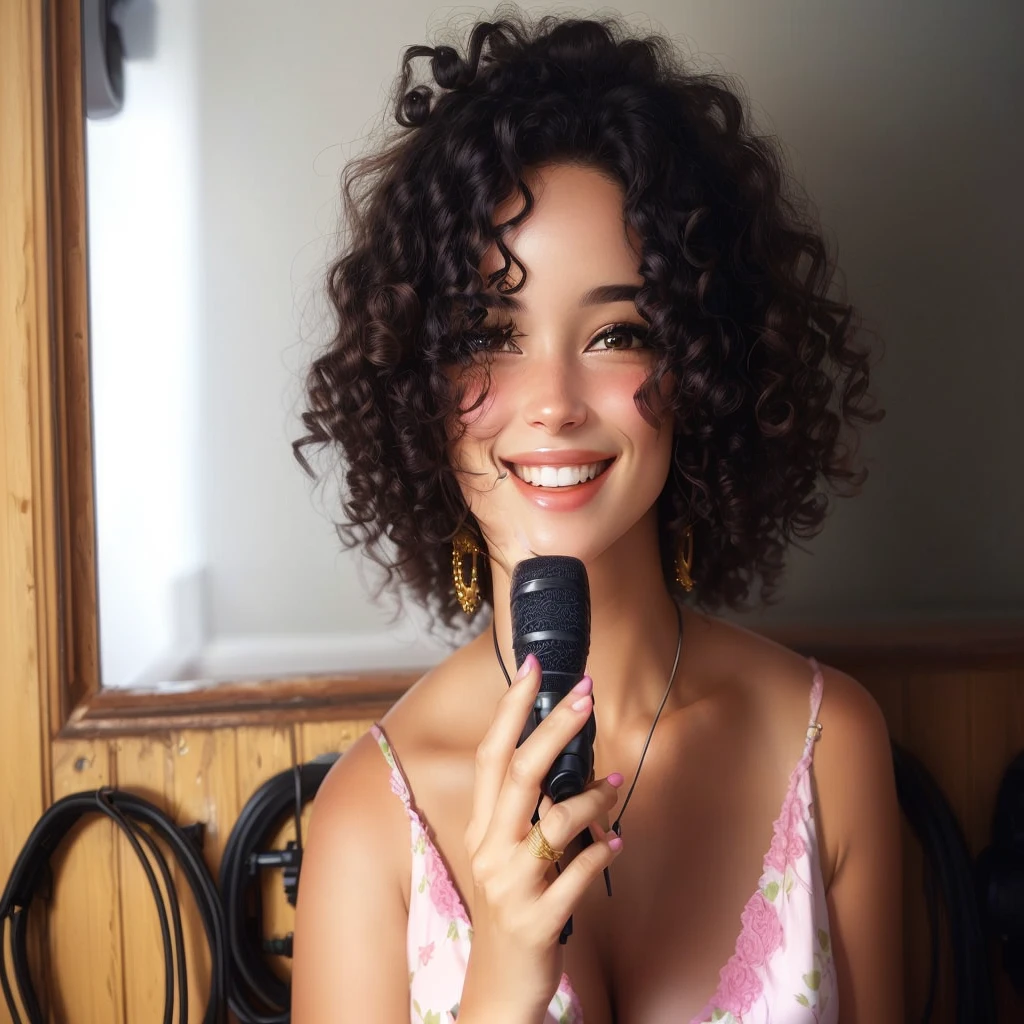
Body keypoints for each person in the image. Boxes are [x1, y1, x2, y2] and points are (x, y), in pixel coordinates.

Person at [290, 8, 902, 1022]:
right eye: (490, 333)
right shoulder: (368, 819)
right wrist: (503, 978)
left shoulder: (828, 744)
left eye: (618, 331)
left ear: (701, 364)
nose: (553, 402)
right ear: (415, 382)